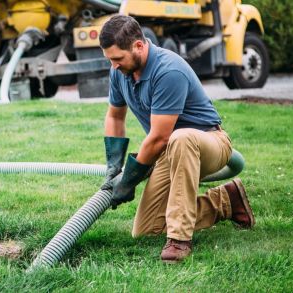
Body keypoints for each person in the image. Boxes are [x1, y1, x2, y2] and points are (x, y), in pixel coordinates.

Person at [99, 15, 255, 264]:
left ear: (139, 46)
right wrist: (114, 164)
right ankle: (226, 201)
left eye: (118, 58)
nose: (114, 65)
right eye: (110, 59)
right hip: (169, 152)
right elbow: (115, 117)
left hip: (208, 142)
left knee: (180, 138)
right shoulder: (119, 71)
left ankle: (180, 240)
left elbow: (160, 137)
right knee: (146, 230)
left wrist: (129, 179)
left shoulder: (168, 70)